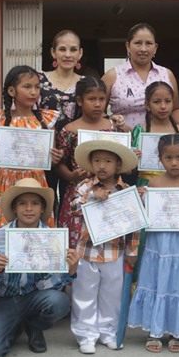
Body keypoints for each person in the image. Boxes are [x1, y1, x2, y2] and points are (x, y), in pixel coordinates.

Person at [128, 134, 179, 353]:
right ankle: (154, 331)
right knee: (157, 280)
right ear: (160, 159)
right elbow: (146, 214)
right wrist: (141, 198)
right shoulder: (154, 183)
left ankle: (178, 331)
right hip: (158, 242)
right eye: (168, 158)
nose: (174, 163)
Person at [0, 178, 80, 357]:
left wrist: (69, 271)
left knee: (60, 302)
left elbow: (53, 283)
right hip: (6, 298)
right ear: (14, 208)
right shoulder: (0, 235)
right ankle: (15, 325)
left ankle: (34, 325)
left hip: (36, 296)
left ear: (42, 208)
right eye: (22, 203)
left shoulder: (52, 238)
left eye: (35, 203)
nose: (28, 208)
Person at [68, 139, 139, 354]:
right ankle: (86, 334)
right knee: (85, 293)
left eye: (108, 161)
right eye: (97, 161)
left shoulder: (126, 190)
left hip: (114, 251)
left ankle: (108, 332)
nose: (102, 166)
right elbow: (73, 208)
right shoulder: (84, 187)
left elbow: (133, 223)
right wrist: (91, 197)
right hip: (87, 251)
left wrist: (132, 251)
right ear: (91, 164)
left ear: (118, 165)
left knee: (111, 295)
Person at [0, 65, 62, 229]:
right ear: (11, 91)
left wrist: (55, 158)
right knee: (3, 231)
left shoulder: (46, 120)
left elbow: (50, 163)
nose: (33, 92)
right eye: (27, 87)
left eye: (37, 87)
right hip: (5, 185)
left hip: (35, 184)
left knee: (35, 233)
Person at [55, 76, 124, 246]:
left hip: (110, 191)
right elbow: (59, 163)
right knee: (79, 239)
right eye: (92, 99)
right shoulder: (70, 130)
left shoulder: (113, 127)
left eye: (102, 99)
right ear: (80, 101)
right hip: (80, 192)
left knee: (108, 238)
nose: (98, 104)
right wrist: (71, 175)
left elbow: (121, 157)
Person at [103, 23, 179, 129]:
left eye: (149, 43)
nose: (143, 49)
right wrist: (110, 121)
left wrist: (178, 128)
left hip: (160, 137)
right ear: (128, 46)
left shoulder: (167, 74)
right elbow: (98, 111)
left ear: (155, 48)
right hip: (123, 136)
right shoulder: (112, 76)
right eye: (138, 43)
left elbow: (176, 109)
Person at [130, 81, 179, 188]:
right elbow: (131, 169)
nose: (163, 106)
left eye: (168, 101)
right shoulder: (140, 131)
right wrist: (132, 158)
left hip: (176, 186)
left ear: (173, 103)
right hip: (147, 184)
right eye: (157, 102)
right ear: (147, 105)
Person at [40, 30, 86, 127]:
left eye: (73, 50)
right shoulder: (38, 80)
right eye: (62, 49)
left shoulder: (87, 83)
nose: (68, 55)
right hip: (43, 136)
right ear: (53, 52)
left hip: (76, 136)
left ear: (80, 53)